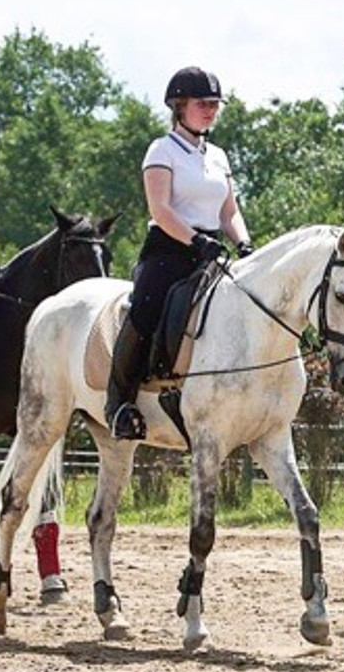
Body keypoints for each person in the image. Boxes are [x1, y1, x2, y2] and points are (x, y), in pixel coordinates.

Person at [107, 66, 253, 441]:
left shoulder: (218, 156)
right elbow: (160, 210)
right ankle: (119, 405)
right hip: (168, 249)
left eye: (215, 105)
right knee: (145, 309)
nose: (211, 111)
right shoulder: (162, 149)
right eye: (203, 104)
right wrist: (196, 241)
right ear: (179, 106)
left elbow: (228, 210)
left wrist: (244, 243)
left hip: (211, 251)